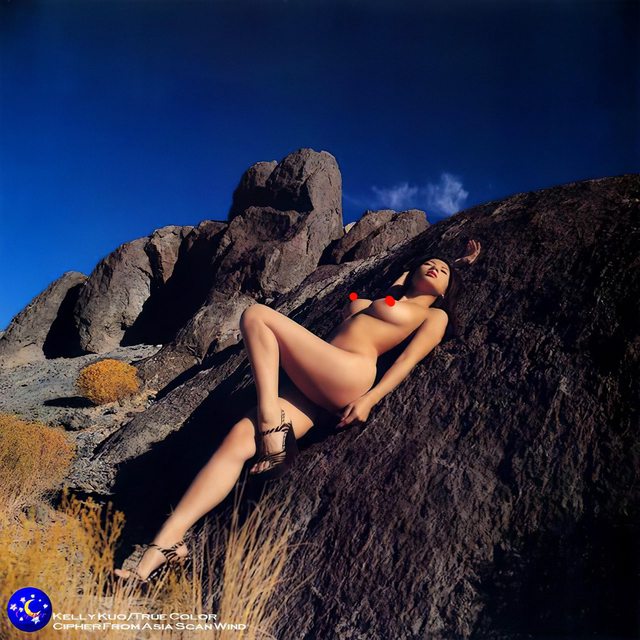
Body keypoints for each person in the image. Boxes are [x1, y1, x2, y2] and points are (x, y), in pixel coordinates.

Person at [114, 239, 481, 584]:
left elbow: (407, 362)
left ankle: (270, 422)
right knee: (237, 441)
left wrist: (370, 400)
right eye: (429, 263)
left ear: (447, 290)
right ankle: (159, 552)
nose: (435, 267)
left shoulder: (433, 316)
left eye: (443, 271)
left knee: (257, 315)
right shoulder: (386, 298)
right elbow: (391, 291)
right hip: (312, 391)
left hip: (348, 373)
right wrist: (425, 270)